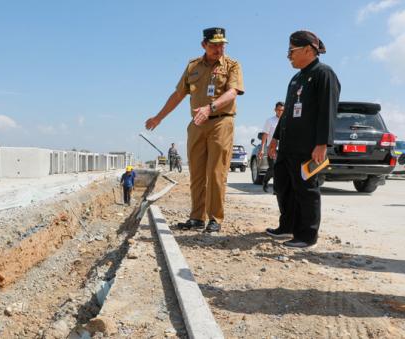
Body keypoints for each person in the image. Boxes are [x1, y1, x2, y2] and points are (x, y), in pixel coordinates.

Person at [145, 27, 244, 233]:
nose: (219, 49)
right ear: (204, 45)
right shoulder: (193, 67)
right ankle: (197, 217)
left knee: (216, 172)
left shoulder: (232, 65)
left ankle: (215, 218)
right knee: (197, 172)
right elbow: (178, 95)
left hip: (221, 121)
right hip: (197, 124)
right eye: (214, 45)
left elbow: (233, 92)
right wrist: (158, 117)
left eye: (222, 44)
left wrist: (210, 108)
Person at [268, 30, 340, 248]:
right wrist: (275, 138)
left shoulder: (323, 74)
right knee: (283, 186)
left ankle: (307, 236)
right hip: (288, 145)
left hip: (308, 147)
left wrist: (322, 144)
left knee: (306, 190)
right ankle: (287, 226)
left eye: (292, 51)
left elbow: (328, 111)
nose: (288, 56)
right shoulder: (296, 78)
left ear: (308, 50)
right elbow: (288, 112)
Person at [258, 101, 284, 193]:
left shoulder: (286, 121)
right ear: (275, 110)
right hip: (271, 148)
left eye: (282, 110)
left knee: (280, 169)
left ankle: (276, 189)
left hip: (283, 149)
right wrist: (262, 149)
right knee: (273, 168)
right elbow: (265, 135)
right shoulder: (270, 121)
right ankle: (265, 181)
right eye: (278, 110)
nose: (280, 112)